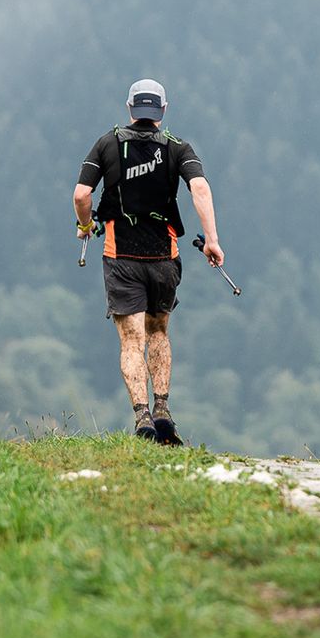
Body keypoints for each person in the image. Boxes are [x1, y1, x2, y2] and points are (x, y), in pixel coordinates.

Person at [74, 78, 223, 445]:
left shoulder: (107, 143)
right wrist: (213, 241)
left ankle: (141, 417)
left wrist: (86, 224)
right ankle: (162, 409)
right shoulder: (178, 147)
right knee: (159, 332)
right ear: (163, 111)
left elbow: (81, 194)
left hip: (120, 256)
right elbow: (200, 188)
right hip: (163, 258)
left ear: (129, 109)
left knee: (131, 341)